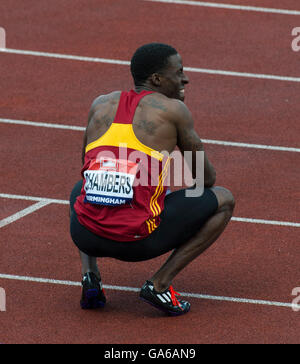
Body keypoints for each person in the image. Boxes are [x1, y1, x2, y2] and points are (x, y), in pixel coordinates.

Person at [69, 43, 235, 316]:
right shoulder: (174, 111)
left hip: (85, 235)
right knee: (224, 199)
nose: (185, 79)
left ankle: (90, 277)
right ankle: (159, 285)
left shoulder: (100, 103)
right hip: (137, 243)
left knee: (81, 188)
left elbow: (84, 167)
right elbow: (205, 179)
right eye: (179, 72)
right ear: (157, 79)